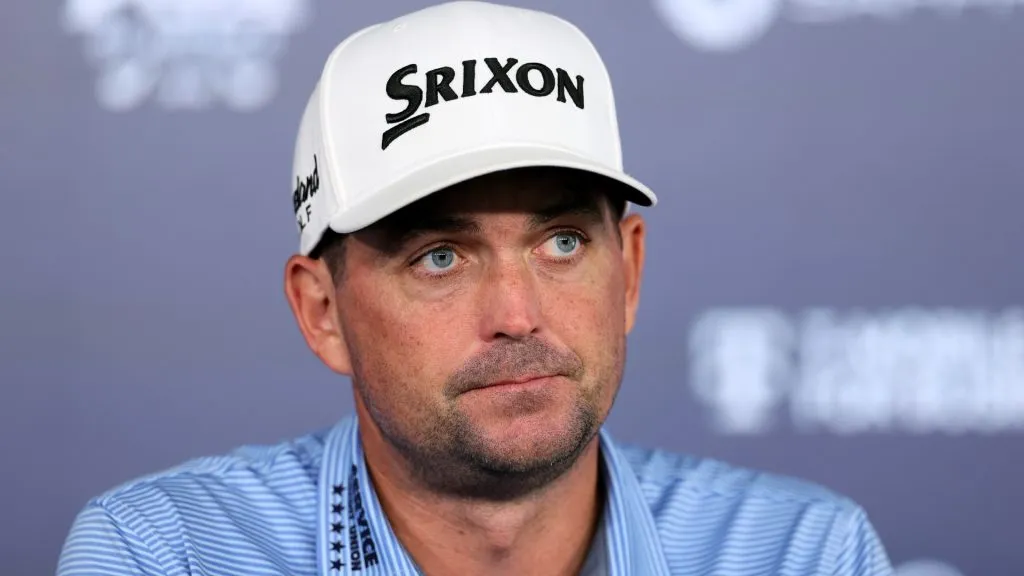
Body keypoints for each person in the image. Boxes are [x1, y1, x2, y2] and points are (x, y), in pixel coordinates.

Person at [57, 2, 894, 575]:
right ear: (323, 313)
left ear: (630, 271)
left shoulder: (800, 553)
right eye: (440, 258)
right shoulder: (169, 556)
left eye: (562, 243)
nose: (518, 315)